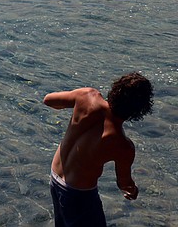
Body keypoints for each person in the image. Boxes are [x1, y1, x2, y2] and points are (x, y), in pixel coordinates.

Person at [43, 72, 153, 227]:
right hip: (79, 195)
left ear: (115, 90)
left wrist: (76, 109)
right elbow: (123, 183)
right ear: (139, 110)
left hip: (55, 178)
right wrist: (132, 190)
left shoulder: (86, 96)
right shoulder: (122, 145)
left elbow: (48, 100)